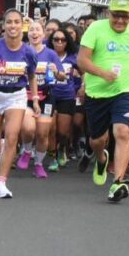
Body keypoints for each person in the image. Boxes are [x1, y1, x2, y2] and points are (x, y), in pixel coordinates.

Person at [76, 0, 129, 203]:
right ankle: (101, 158)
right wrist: (103, 73)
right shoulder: (95, 28)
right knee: (97, 140)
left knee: (122, 131)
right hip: (97, 93)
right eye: (116, 16)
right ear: (108, 14)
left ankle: (118, 182)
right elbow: (82, 61)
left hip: (124, 91)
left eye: (125, 16)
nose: (120, 20)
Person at [0, 9, 40, 198]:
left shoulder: (29, 52)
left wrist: (35, 99)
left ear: (23, 25)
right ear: (4, 25)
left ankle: (1, 183)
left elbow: (31, 76)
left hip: (16, 96)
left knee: (12, 137)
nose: (13, 25)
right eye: (9, 22)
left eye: (16, 22)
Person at [16, 21, 64, 178]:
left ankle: (38, 164)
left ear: (43, 34)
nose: (34, 33)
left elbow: (62, 76)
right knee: (28, 129)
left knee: (43, 134)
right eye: (31, 30)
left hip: (46, 96)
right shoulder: (21, 51)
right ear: (27, 33)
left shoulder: (51, 54)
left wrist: (56, 72)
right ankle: (27, 151)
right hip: (26, 95)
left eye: (38, 30)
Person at [47, 28, 77, 170]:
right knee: (51, 128)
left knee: (63, 131)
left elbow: (84, 73)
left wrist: (83, 87)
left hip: (67, 96)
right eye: (56, 39)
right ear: (51, 41)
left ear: (67, 42)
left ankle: (62, 149)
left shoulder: (72, 57)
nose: (59, 42)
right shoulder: (46, 54)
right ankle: (52, 157)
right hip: (49, 95)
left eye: (63, 40)